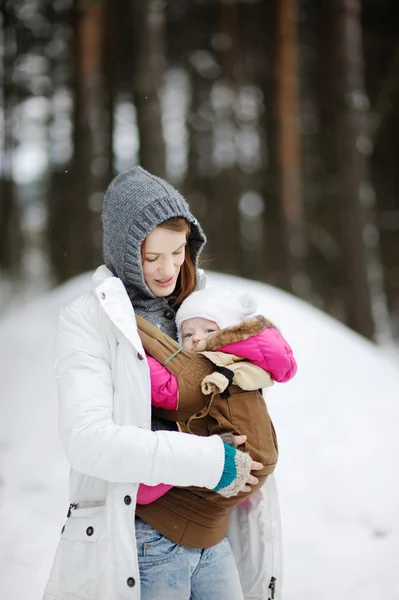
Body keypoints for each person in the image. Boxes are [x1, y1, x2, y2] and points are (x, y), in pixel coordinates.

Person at [43, 166, 273, 600]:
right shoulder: (90, 321)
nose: (168, 269)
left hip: (214, 534)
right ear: (128, 254)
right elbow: (88, 440)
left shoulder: (199, 310)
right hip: (145, 541)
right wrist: (210, 460)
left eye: (179, 251)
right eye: (152, 258)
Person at [134, 286, 297, 551]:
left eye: (208, 331)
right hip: (258, 462)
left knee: (145, 490)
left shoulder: (209, 366)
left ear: (227, 333)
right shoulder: (246, 364)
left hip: (239, 462)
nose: (197, 339)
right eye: (188, 333)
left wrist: (137, 354)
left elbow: (166, 388)